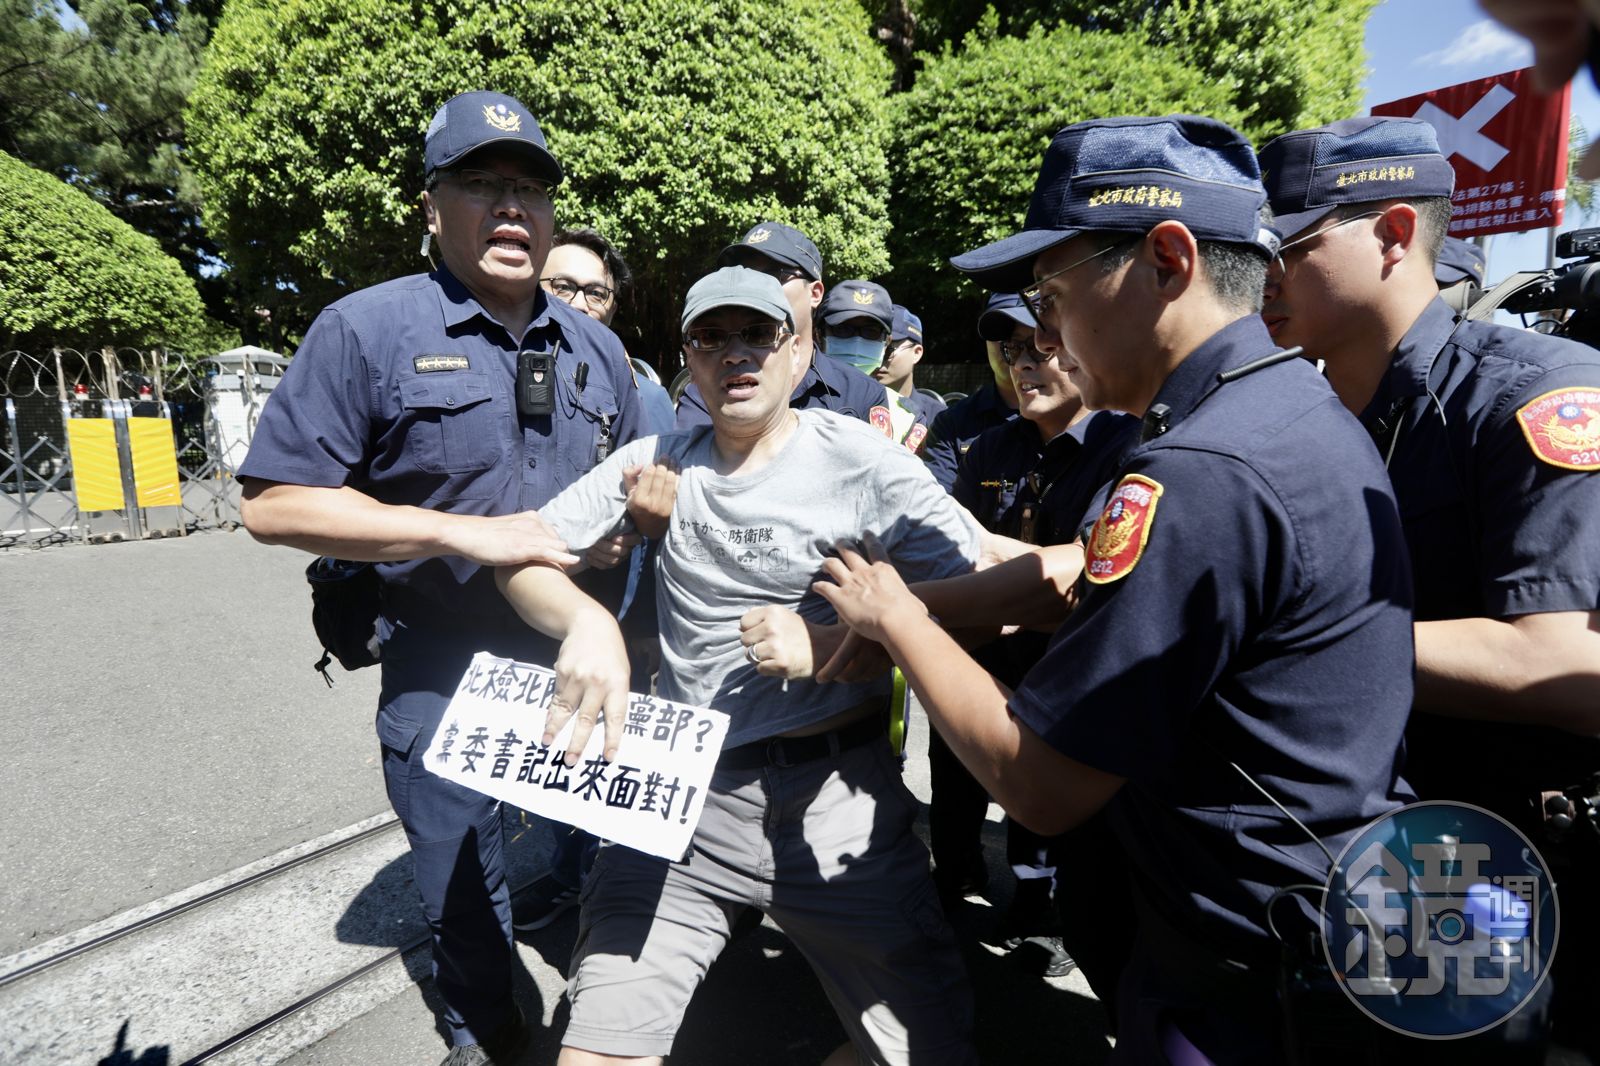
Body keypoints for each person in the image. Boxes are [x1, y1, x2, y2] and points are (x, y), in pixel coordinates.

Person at [815, 114, 1416, 1064]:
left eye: (1053, 292)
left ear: (1168, 260)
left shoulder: (1206, 465)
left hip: (1242, 965)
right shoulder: (1279, 406)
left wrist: (894, 616)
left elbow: (1042, 784)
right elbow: (1071, 577)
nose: (1044, 332)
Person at [236, 90, 645, 1066]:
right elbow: (274, 502)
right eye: (480, 182)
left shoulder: (597, 349)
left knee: (611, 858)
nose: (511, 207)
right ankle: (491, 1033)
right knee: (460, 887)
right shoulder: (366, 329)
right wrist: (475, 533)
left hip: (574, 657)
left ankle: (612, 1017)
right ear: (431, 205)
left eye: (530, 188)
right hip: (437, 661)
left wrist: (630, 539)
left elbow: (629, 493)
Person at [498, 266, 981, 1066]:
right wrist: (588, 622)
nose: (737, 355)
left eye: (758, 334)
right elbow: (518, 557)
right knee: (596, 1049)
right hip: (682, 795)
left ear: (800, 352)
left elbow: (972, 590)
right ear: (689, 358)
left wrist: (842, 648)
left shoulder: (862, 460)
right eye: (712, 338)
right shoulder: (656, 460)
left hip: (836, 804)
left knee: (928, 1049)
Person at [1259, 114, 1600, 1059]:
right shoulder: (1304, 412)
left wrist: (1279, 636)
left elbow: (1568, 666)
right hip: (1364, 851)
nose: (1261, 273)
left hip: (1506, 874)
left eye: (1287, 243)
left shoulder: (1534, 393)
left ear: (1395, 234)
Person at [933, 310, 1139, 982]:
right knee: (957, 777)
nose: (1024, 365)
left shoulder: (1125, 448)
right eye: (1011, 351)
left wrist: (994, 558)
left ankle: (1035, 906)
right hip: (979, 652)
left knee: (1043, 810)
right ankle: (952, 881)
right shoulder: (993, 447)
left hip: (1064, 671)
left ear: (1079, 348)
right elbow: (948, 550)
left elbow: (1084, 572)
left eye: (1041, 348)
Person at [675, 221, 887, 428]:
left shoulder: (861, 393)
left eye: (773, 276)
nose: (757, 287)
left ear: (815, 294)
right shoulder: (705, 392)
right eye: (747, 276)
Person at [917, 293, 1026, 492]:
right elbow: (940, 508)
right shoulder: (952, 423)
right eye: (999, 333)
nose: (1009, 346)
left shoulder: (1080, 417)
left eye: (1025, 336)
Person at [814, 279, 923, 448]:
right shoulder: (789, 395)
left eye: (870, 331)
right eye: (843, 329)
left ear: (886, 342)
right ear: (818, 335)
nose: (857, 340)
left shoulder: (906, 418)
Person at [875, 304, 946, 438]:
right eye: (874, 349)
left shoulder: (939, 417)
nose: (878, 360)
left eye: (888, 350)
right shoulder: (850, 406)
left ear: (917, 353)